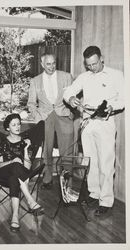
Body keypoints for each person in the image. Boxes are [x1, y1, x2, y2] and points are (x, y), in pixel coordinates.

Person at [63, 46, 124, 216]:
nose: (92, 68)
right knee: (90, 162)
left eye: (95, 64)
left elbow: (124, 98)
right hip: (87, 124)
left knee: (105, 163)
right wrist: (72, 98)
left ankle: (106, 200)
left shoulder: (116, 75)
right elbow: (68, 91)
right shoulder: (84, 77)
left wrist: (113, 106)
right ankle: (94, 193)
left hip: (105, 123)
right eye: (89, 65)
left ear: (101, 58)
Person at [27, 53, 74, 189]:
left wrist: (71, 113)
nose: (51, 66)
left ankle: (67, 182)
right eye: (48, 64)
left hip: (63, 115)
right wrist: (37, 116)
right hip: (45, 117)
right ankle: (47, 178)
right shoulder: (35, 81)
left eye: (53, 63)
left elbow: (74, 97)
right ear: (42, 64)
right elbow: (31, 103)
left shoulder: (66, 77)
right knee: (46, 150)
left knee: (67, 151)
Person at [0, 113, 44, 233]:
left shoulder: (25, 142)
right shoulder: (2, 142)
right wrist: (12, 161)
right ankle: (30, 200)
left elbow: (27, 167)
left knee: (14, 178)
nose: (17, 127)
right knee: (16, 165)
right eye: (14, 125)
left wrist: (26, 149)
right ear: (7, 128)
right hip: (3, 172)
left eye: (19, 124)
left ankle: (15, 217)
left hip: (20, 175)